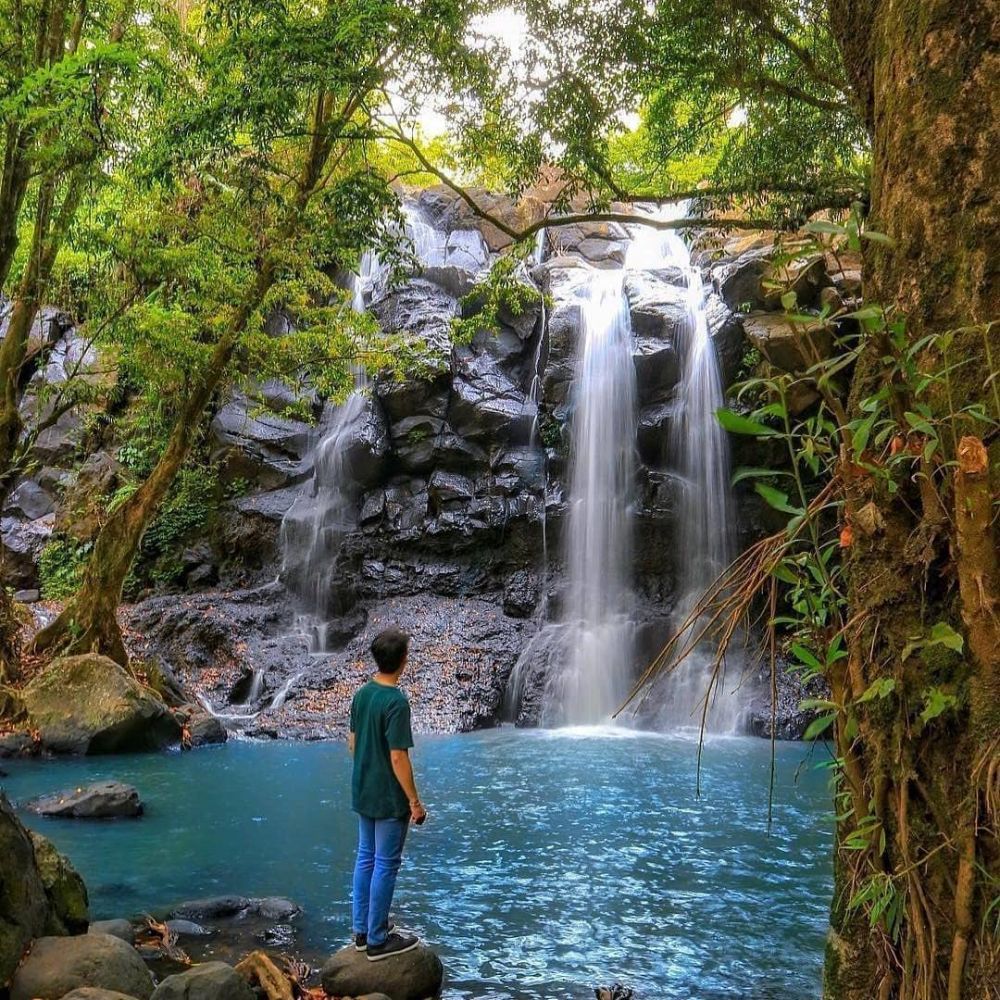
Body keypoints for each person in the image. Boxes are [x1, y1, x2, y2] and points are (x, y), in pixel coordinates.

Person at [347, 625, 427, 961]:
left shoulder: (362, 694)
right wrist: (414, 800)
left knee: (366, 857)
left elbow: (352, 743)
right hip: (389, 797)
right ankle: (378, 940)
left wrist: (369, 770)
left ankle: (362, 931)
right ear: (403, 660)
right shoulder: (396, 702)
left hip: (364, 789)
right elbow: (397, 755)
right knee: (386, 864)